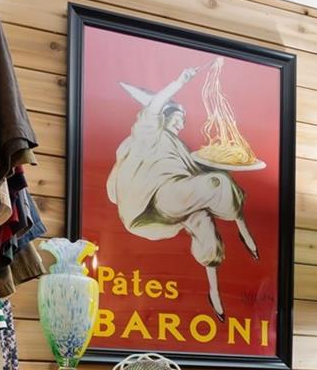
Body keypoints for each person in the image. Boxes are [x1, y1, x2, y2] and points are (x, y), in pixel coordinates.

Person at [106, 62, 259, 320]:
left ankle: (215, 293)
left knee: (203, 221)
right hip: (156, 200)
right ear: (163, 118)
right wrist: (179, 83)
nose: (180, 123)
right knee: (217, 183)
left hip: (170, 207)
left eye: (182, 120)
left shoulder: (180, 149)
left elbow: (194, 170)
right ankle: (242, 227)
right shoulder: (148, 134)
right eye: (176, 118)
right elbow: (153, 107)